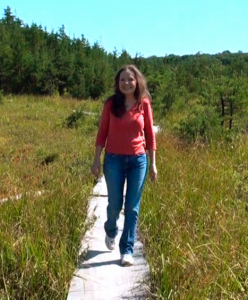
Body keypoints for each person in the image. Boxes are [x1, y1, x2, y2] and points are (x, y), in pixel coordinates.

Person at [91, 64, 157, 267]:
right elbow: (102, 132)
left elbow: (150, 135)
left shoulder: (143, 103)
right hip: (114, 160)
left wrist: (153, 164)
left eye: (130, 79)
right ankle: (111, 229)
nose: (126, 83)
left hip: (138, 161)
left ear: (137, 82)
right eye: (122, 80)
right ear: (117, 84)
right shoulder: (111, 104)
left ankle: (126, 250)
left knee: (132, 207)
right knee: (115, 204)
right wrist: (96, 159)